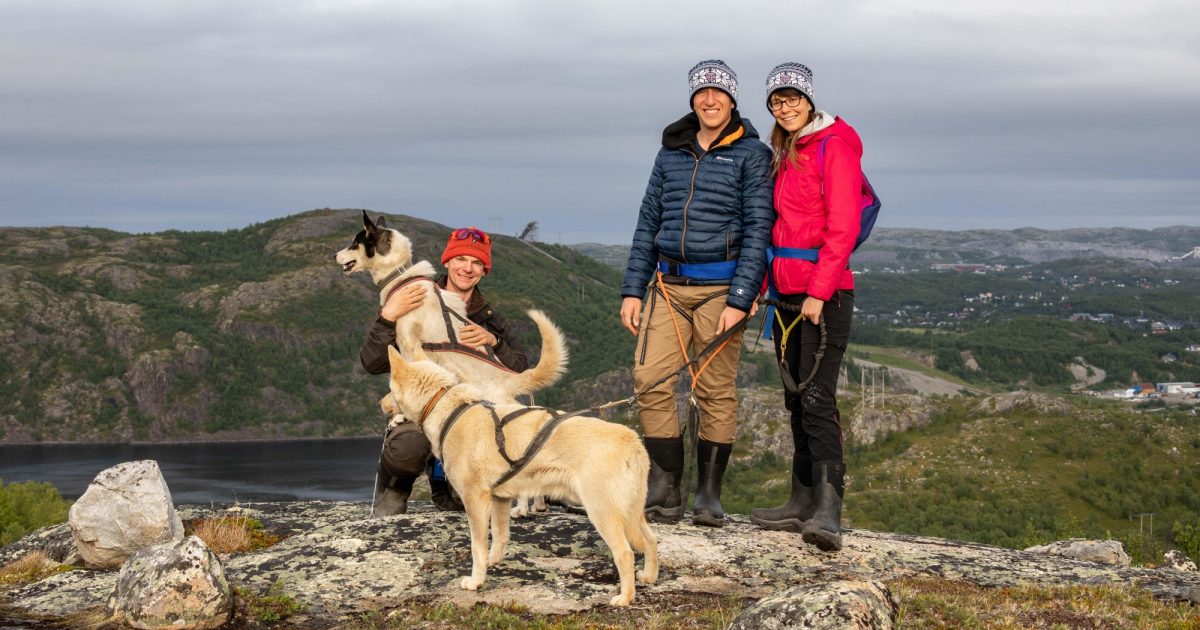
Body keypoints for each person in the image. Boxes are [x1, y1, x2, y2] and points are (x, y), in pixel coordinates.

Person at [619, 59, 774, 528]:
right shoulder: (670, 152)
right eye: (701, 92)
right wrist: (631, 290)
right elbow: (648, 222)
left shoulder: (752, 154)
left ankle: (708, 493)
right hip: (666, 286)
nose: (709, 99)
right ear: (692, 99)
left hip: (721, 289)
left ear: (732, 100)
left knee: (714, 390)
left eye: (718, 92)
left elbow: (758, 229)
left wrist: (741, 297)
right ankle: (665, 489)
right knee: (649, 380)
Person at [749, 62, 864, 551]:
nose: (785, 107)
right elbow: (778, 227)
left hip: (825, 296)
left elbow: (843, 227)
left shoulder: (833, 147)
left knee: (818, 399)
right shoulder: (785, 150)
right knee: (795, 397)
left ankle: (827, 510)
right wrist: (762, 287)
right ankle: (800, 501)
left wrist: (818, 291)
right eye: (777, 101)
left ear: (809, 100)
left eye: (793, 98)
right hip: (784, 296)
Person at [360, 226, 529, 516]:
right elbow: (372, 363)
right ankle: (393, 490)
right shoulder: (413, 297)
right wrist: (388, 316)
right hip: (419, 411)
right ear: (447, 262)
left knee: (462, 501)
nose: (468, 268)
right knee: (408, 446)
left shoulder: (489, 319)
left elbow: (521, 374)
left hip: (469, 418)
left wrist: (495, 343)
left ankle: (447, 484)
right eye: (461, 259)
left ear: (484, 271)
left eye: (477, 263)